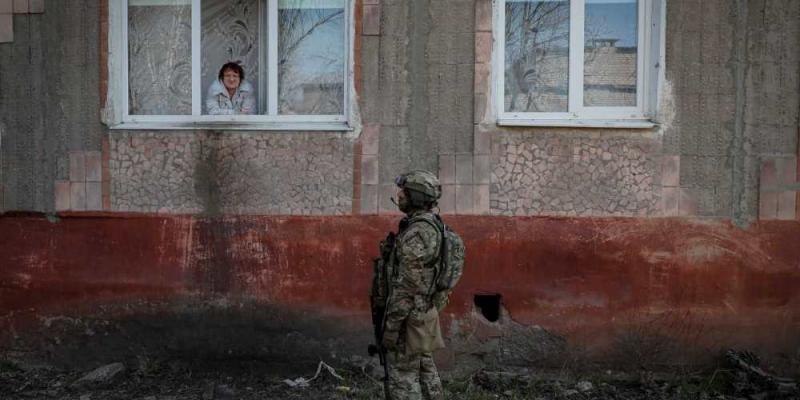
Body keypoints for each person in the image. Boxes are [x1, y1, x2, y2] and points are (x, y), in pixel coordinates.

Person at [371, 170, 448, 400]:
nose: (399, 196)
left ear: (415, 197)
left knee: (402, 377)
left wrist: (391, 328)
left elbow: (407, 287)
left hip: (408, 316)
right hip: (423, 312)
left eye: (404, 192)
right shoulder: (431, 225)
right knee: (425, 369)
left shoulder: (417, 233)